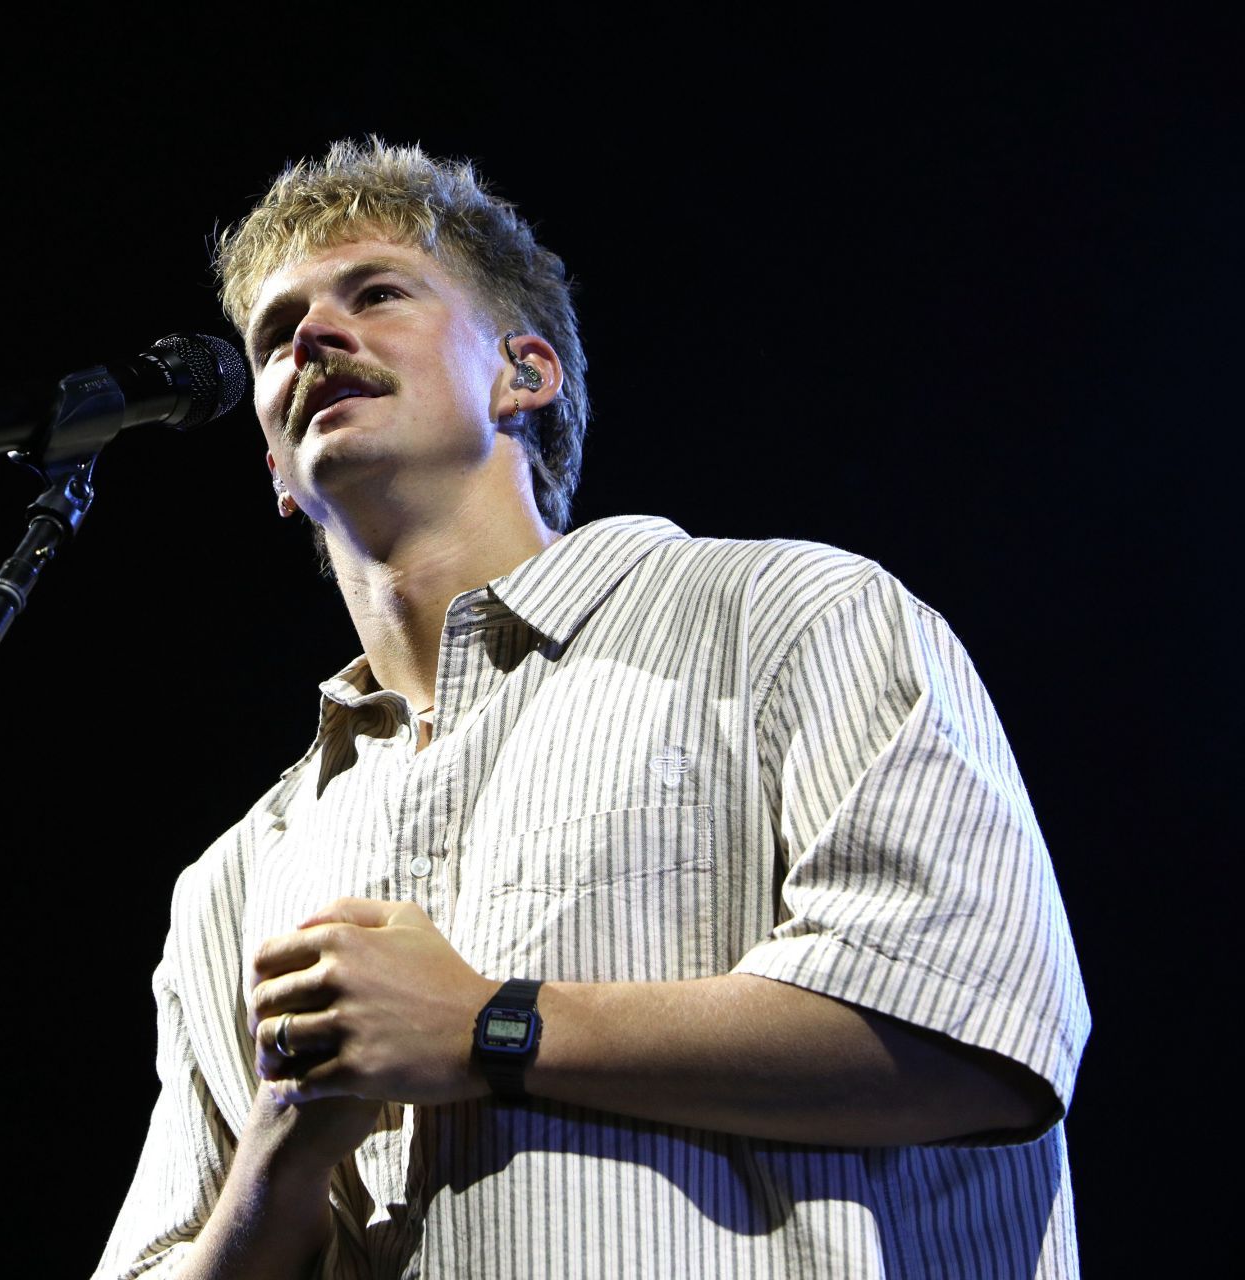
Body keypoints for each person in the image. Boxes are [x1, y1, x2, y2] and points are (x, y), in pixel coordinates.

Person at [94, 139, 1088, 1279]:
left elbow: (976, 1029)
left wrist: (487, 1025)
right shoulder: (232, 880)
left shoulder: (788, 619)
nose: (313, 335)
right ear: (276, 465)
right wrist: (279, 1158)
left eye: (375, 293)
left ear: (525, 372)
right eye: (276, 335)